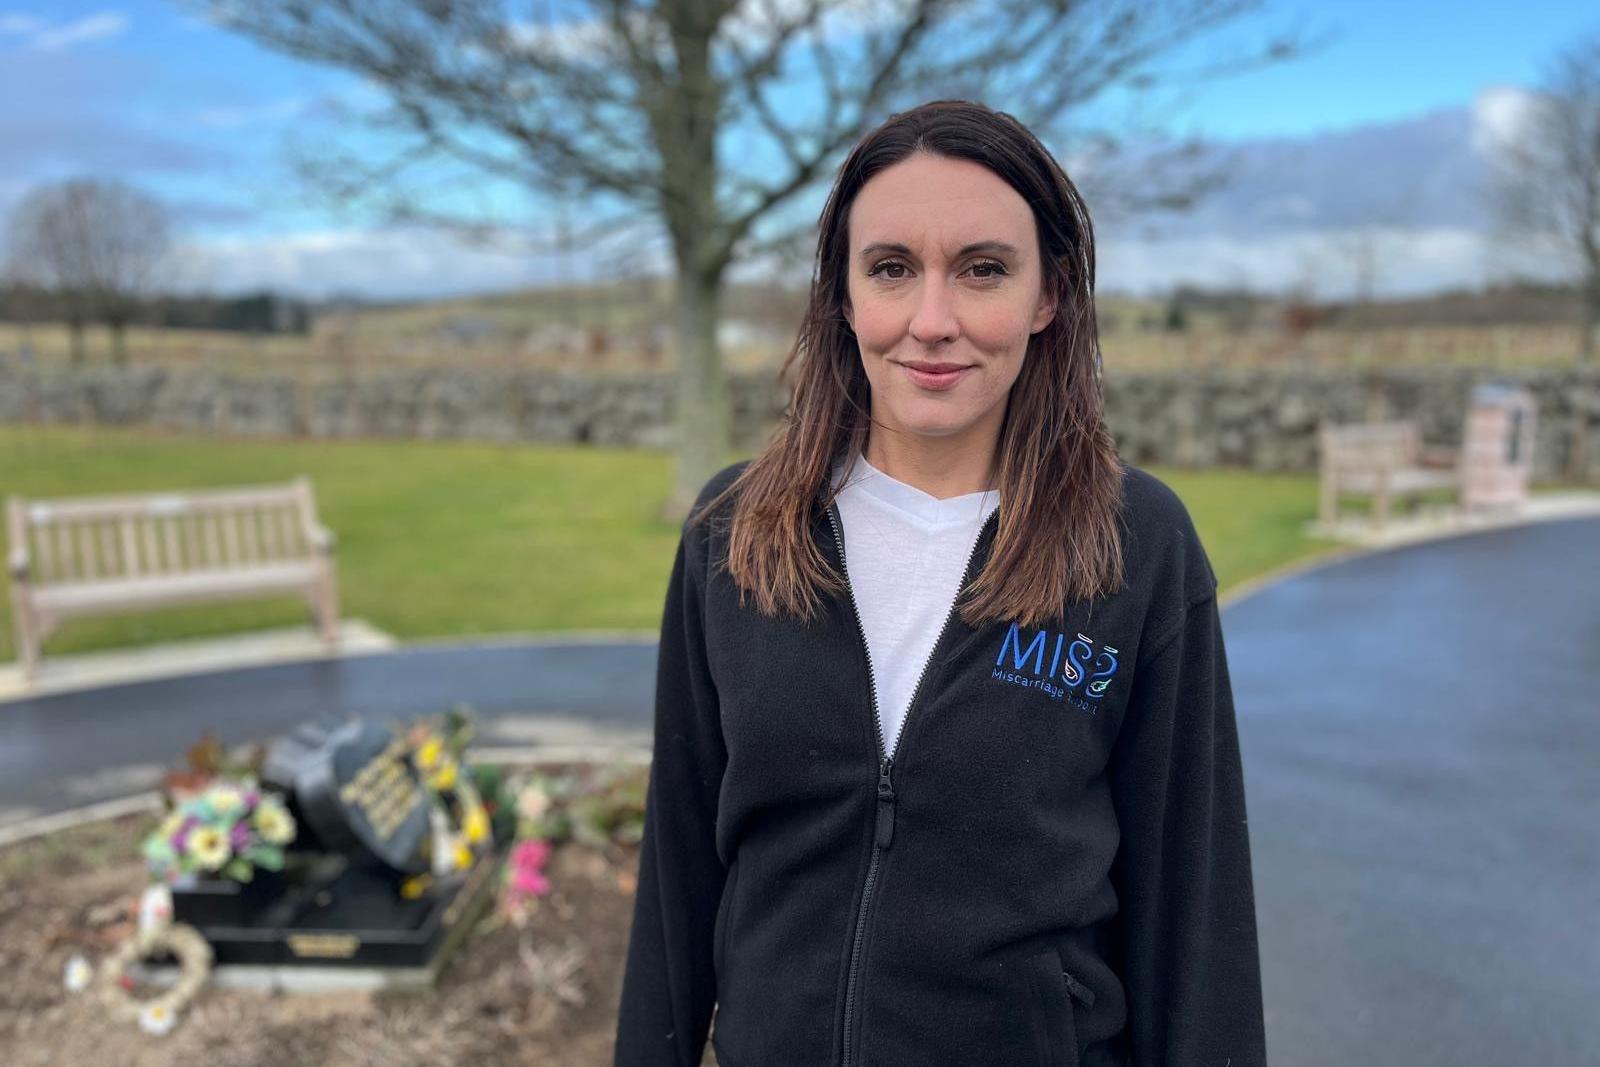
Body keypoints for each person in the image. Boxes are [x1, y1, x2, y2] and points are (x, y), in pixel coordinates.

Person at [614, 99, 1266, 1067]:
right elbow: (677, 874)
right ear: (841, 293)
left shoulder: (1135, 546)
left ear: (1048, 296)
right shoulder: (734, 535)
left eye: (982, 270)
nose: (931, 321)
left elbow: (1195, 911)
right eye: (890, 269)